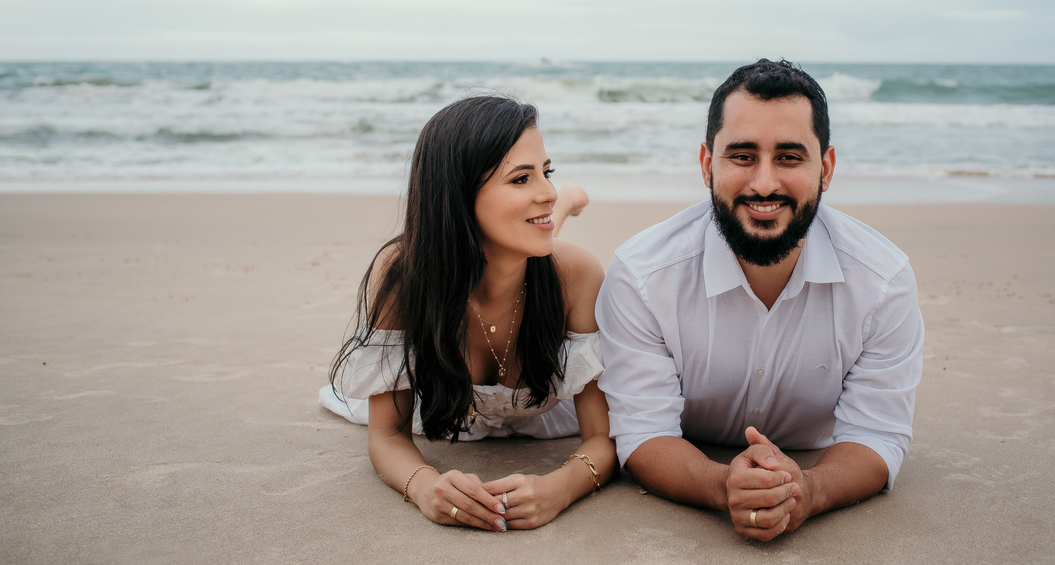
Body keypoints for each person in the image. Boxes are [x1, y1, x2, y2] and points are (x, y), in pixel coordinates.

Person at [596, 58, 924, 542]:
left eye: (789, 157)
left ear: (825, 168)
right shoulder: (643, 276)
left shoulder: (882, 281)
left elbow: (876, 435)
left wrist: (809, 491)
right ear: (708, 164)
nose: (765, 183)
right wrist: (720, 484)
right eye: (743, 156)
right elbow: (641, 432)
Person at [319, 96, 615, 532]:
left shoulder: (579, 273)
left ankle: (571, 206)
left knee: (546, 256)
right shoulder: (402, 276)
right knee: (531, 244)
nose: (546, 190)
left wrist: (560, 488)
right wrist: (424, 486)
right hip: (447, 409)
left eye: (547, 173)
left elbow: (602, 438)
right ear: (458, 193)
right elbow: (386, 435)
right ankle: (569, 207)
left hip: (545, 412)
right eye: (521, 179)